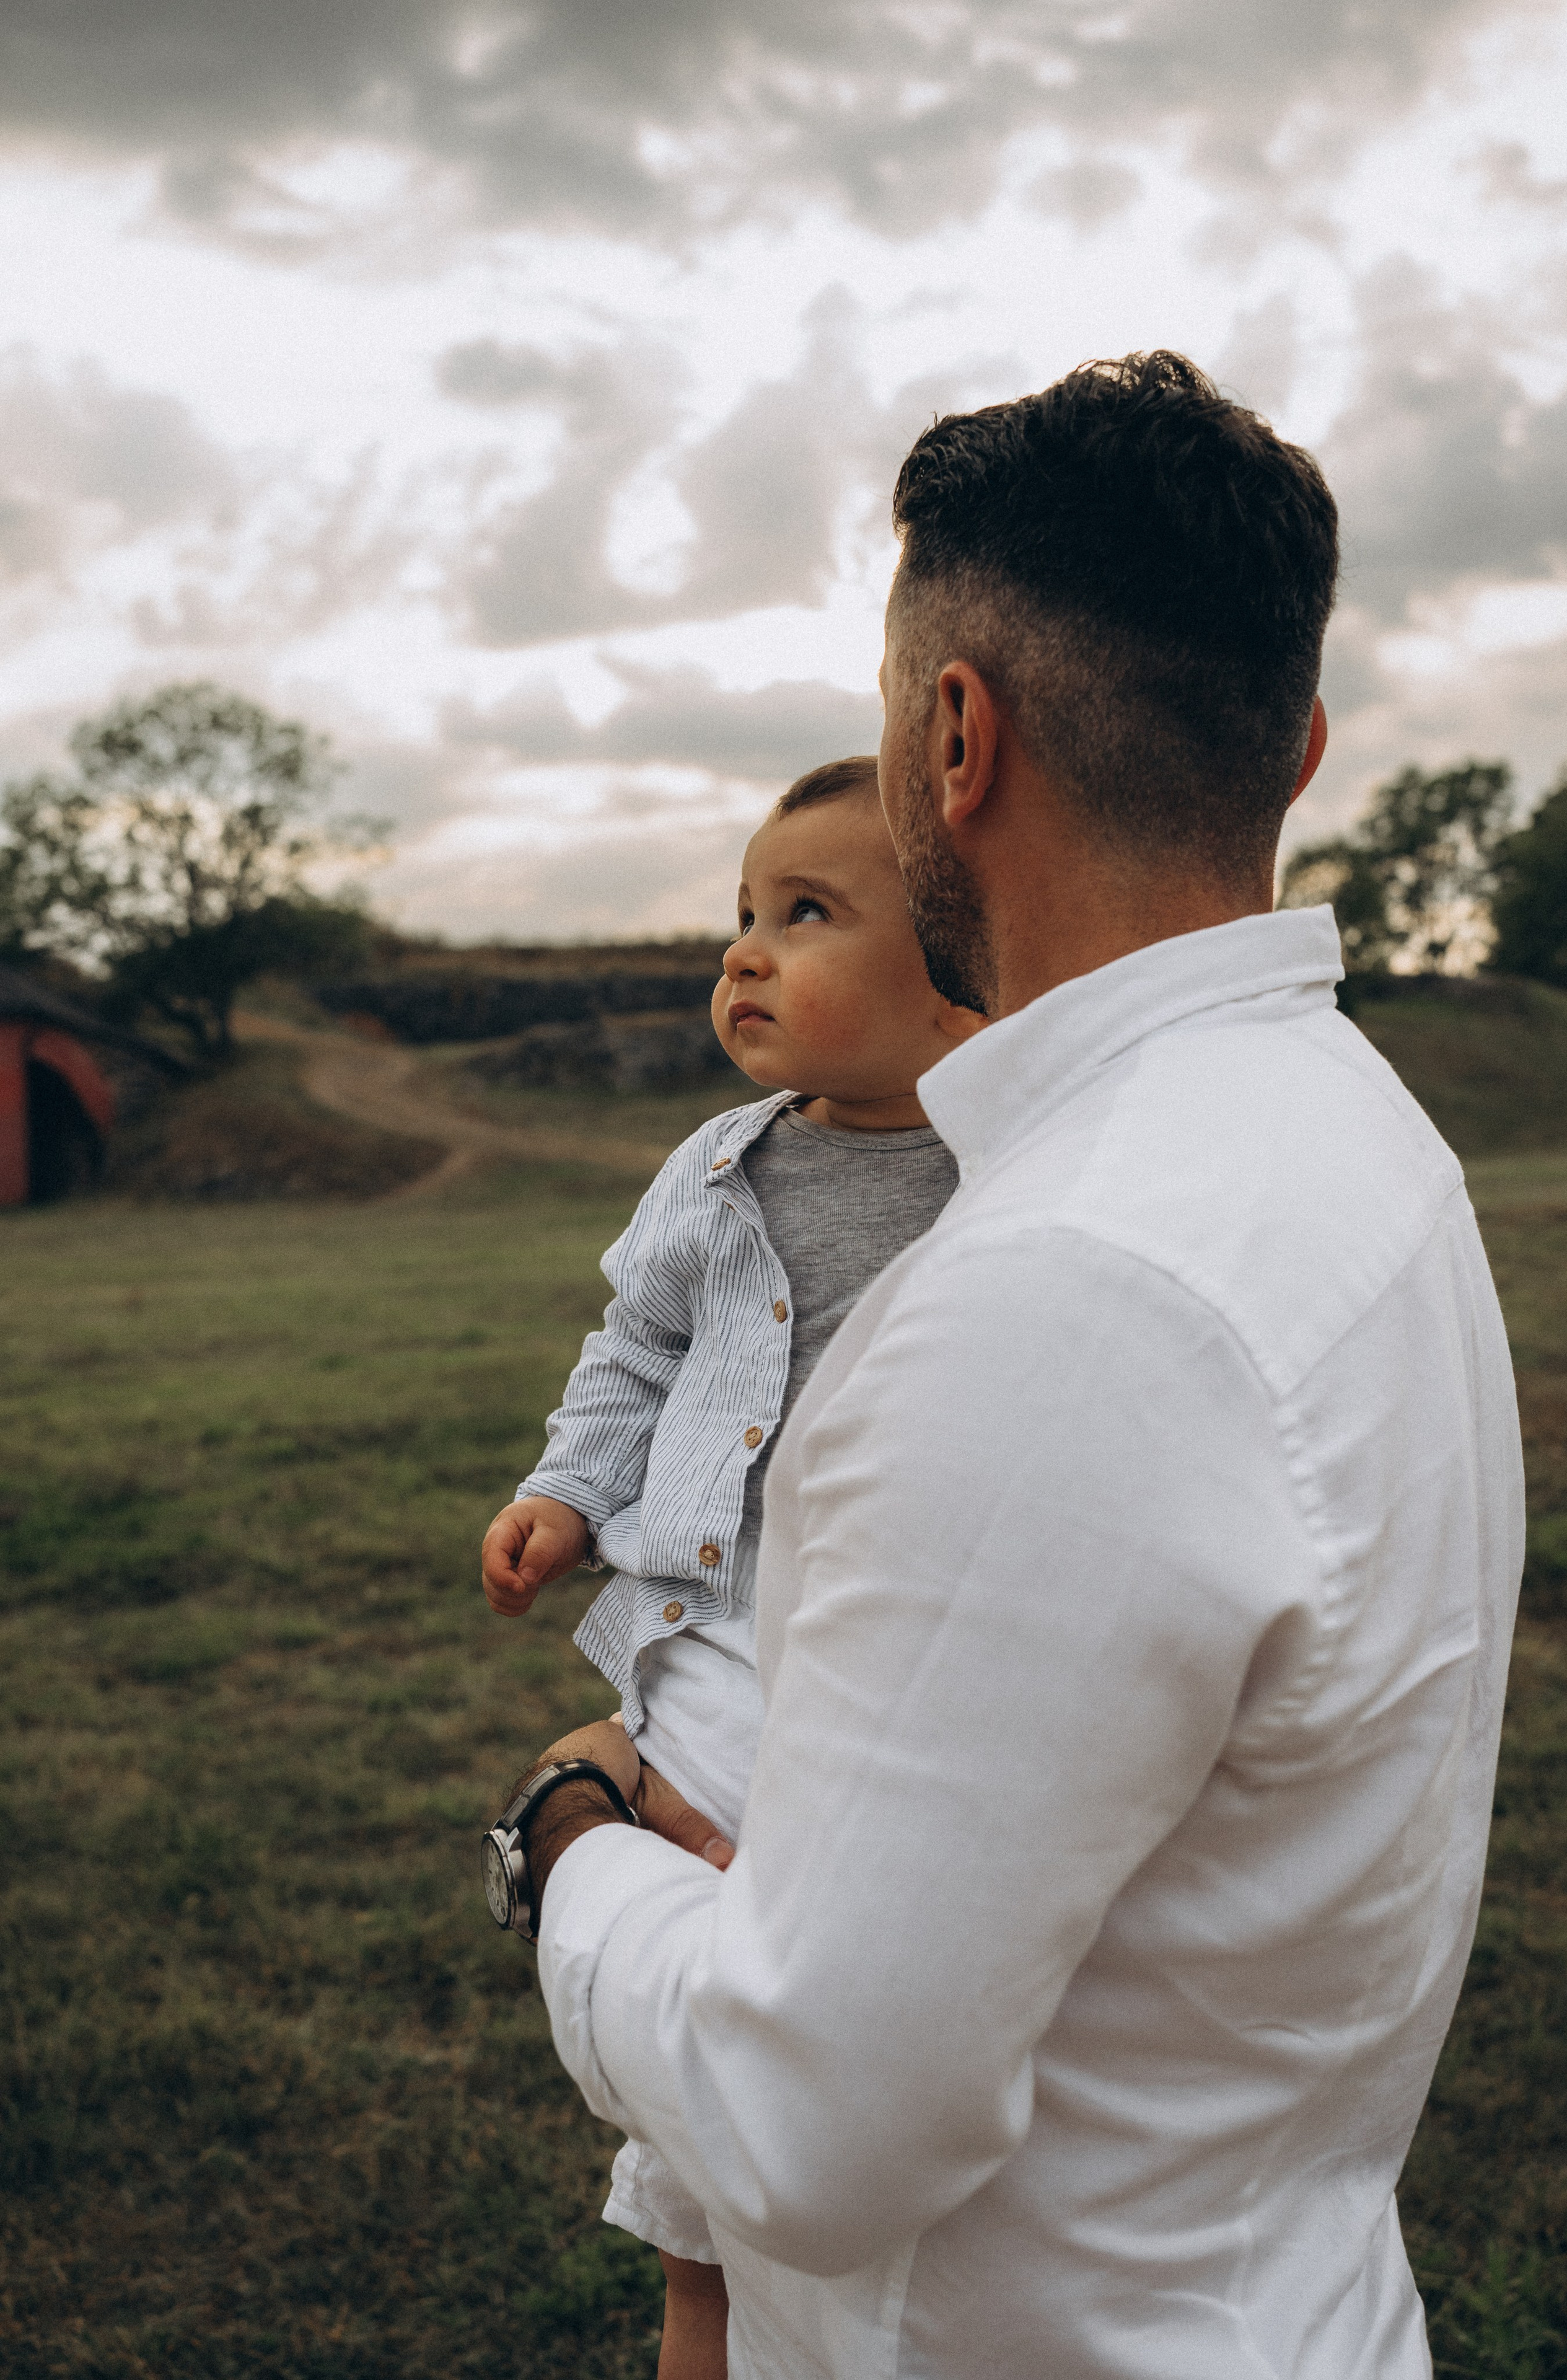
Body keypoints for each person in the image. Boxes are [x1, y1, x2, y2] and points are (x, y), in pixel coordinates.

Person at [512, 353, 1525, 2378]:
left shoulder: (1060, 1285)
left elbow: (814, 2125)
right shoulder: (1364, 1145)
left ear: (954, 735)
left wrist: (564, 1843)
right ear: (1299, 744)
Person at [480, 756, 981, 2380]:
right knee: (699, 2232)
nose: (745, 955)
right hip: (705, 1681)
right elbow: (634, 1352)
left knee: (855, 2155)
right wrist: (567, 1492)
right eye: (742, 917)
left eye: (809, 915)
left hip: (875, 1688)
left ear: (961, 966)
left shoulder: (1000, 1178)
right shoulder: (715, 1172)